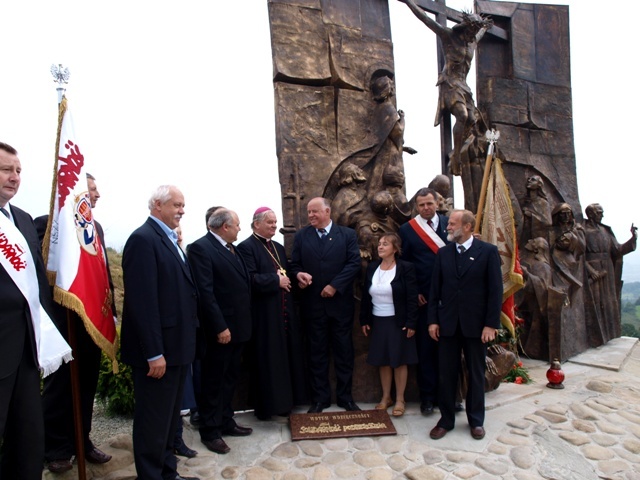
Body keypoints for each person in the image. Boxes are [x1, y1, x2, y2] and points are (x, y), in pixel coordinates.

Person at [0, 142, 71, 480]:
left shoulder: (24, 221)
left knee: (27, 438)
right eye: (5, 170)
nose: (14, 178)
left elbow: (37, 283)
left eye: (18, 171)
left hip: (27, 350)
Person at [120, 185, 199, 480]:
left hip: (177, 348)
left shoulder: (168, 239)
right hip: (158, 353)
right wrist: (154, 353)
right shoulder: (143, 239)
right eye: (176, 205)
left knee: (167, 422)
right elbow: (143, 302)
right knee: (153, 422)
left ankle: (168, 473)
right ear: (157, 205)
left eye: (182, 205)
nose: (181, 210)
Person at [40, 173, 115, 473]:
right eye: (92, 190)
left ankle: (82, 441)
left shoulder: (94, 227)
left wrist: (110, 311)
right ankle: (56, 448)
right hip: (62, 320)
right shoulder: (47, 223)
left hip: (91, 322)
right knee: (60, 387)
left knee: (87, 384)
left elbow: (101, 270)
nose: (96, 196)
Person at [427, 210, 502, 441]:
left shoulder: (488, 252)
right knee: (446, 374)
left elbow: (495, 291)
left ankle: (476, 421)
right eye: (449, 223)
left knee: (476, 374)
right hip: (448, 324)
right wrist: (433, 320)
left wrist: (491, 324)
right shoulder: (443, 253)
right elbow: (435, 290)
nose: (448, 227)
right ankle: (446, 420)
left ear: (467, 227)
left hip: (476, 326)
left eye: (452, 223)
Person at [186, 208, 253, 455]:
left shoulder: (230, 249)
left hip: (239, 329)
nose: (239, 229)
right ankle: (210, 431)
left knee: (229, 379)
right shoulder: (200, 249)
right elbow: (205, 292)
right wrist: (220, 326)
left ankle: (226, 421)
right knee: (213, 382)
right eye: (237, 225)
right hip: (221, 331)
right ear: (224, 226)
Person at [400, 0, 492, 176]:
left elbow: (480, 35)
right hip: (450, 84)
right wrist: (409, 2)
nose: (472, 34)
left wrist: (485, 27)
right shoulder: (448, 36)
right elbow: (426, 19)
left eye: (474, 32)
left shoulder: (471, 43)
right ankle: (456, 157)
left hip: (464, 87)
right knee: (462, 115)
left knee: (472, 120)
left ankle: (457, 151)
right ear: (465, 27)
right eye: (470, 30)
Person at [290, 197, 361, 413]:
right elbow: (294, 265)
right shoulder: (302, 236)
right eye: (308, 212)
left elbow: (354, 263)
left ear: (327, 211)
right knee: (316, 354)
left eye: (314, 212)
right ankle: (320, 399)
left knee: (344, 353)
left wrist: (335, 286)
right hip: (313, 306)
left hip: (340, 306)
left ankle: (345, 398)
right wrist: (298, 274)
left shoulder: (347, 235)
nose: (310, 215)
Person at [237, 207, 307, 420]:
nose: (274, 226)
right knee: (269, 360)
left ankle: (287, 402)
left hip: (284, 313)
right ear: (256, 223)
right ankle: (268, 407)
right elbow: (249, 279)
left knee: (285, 357)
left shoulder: (276, 247)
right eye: (270, 222)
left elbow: (287, 272)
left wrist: (298, 276)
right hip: (265, 316)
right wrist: (275, 281)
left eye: (275, 222)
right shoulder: (246, 248)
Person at [398, 187, 448, 415]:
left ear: (437, 202)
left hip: (450, 297)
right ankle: (427, 397)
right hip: (424, 297)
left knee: (449, 348)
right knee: (426, 349)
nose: (426, 208)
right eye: (421, 205)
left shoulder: (451, 223)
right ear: (416, 207)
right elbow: (405, 265)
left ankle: (449, 396)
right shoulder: (408, 230)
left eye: (429, 203)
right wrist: (414, 290)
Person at [360, 233, 418, 417]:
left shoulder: (405, 268)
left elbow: (411, 297)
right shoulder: (372, 268)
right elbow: (365, 295)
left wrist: (411, 322)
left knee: (399, 361)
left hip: (398, 321)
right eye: (379, 244)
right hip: (378, 320)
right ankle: (386, 397)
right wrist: (364, 320)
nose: (380, 246)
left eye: (385, 244)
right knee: (383, 361)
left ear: (395, 248)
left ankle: (400, 399)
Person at [583, 203, 637, 347]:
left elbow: (617, 250)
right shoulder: (582, 230)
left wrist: (633, 239)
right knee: (594, 302)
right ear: (591, 214)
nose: (602, 215)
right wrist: (591, 271)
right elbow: (579, 256)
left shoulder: (605, 231)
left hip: (607, 270)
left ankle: (608, 333)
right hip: (593, 271)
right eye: (600, 212)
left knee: (607, 302)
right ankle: (593, 336)